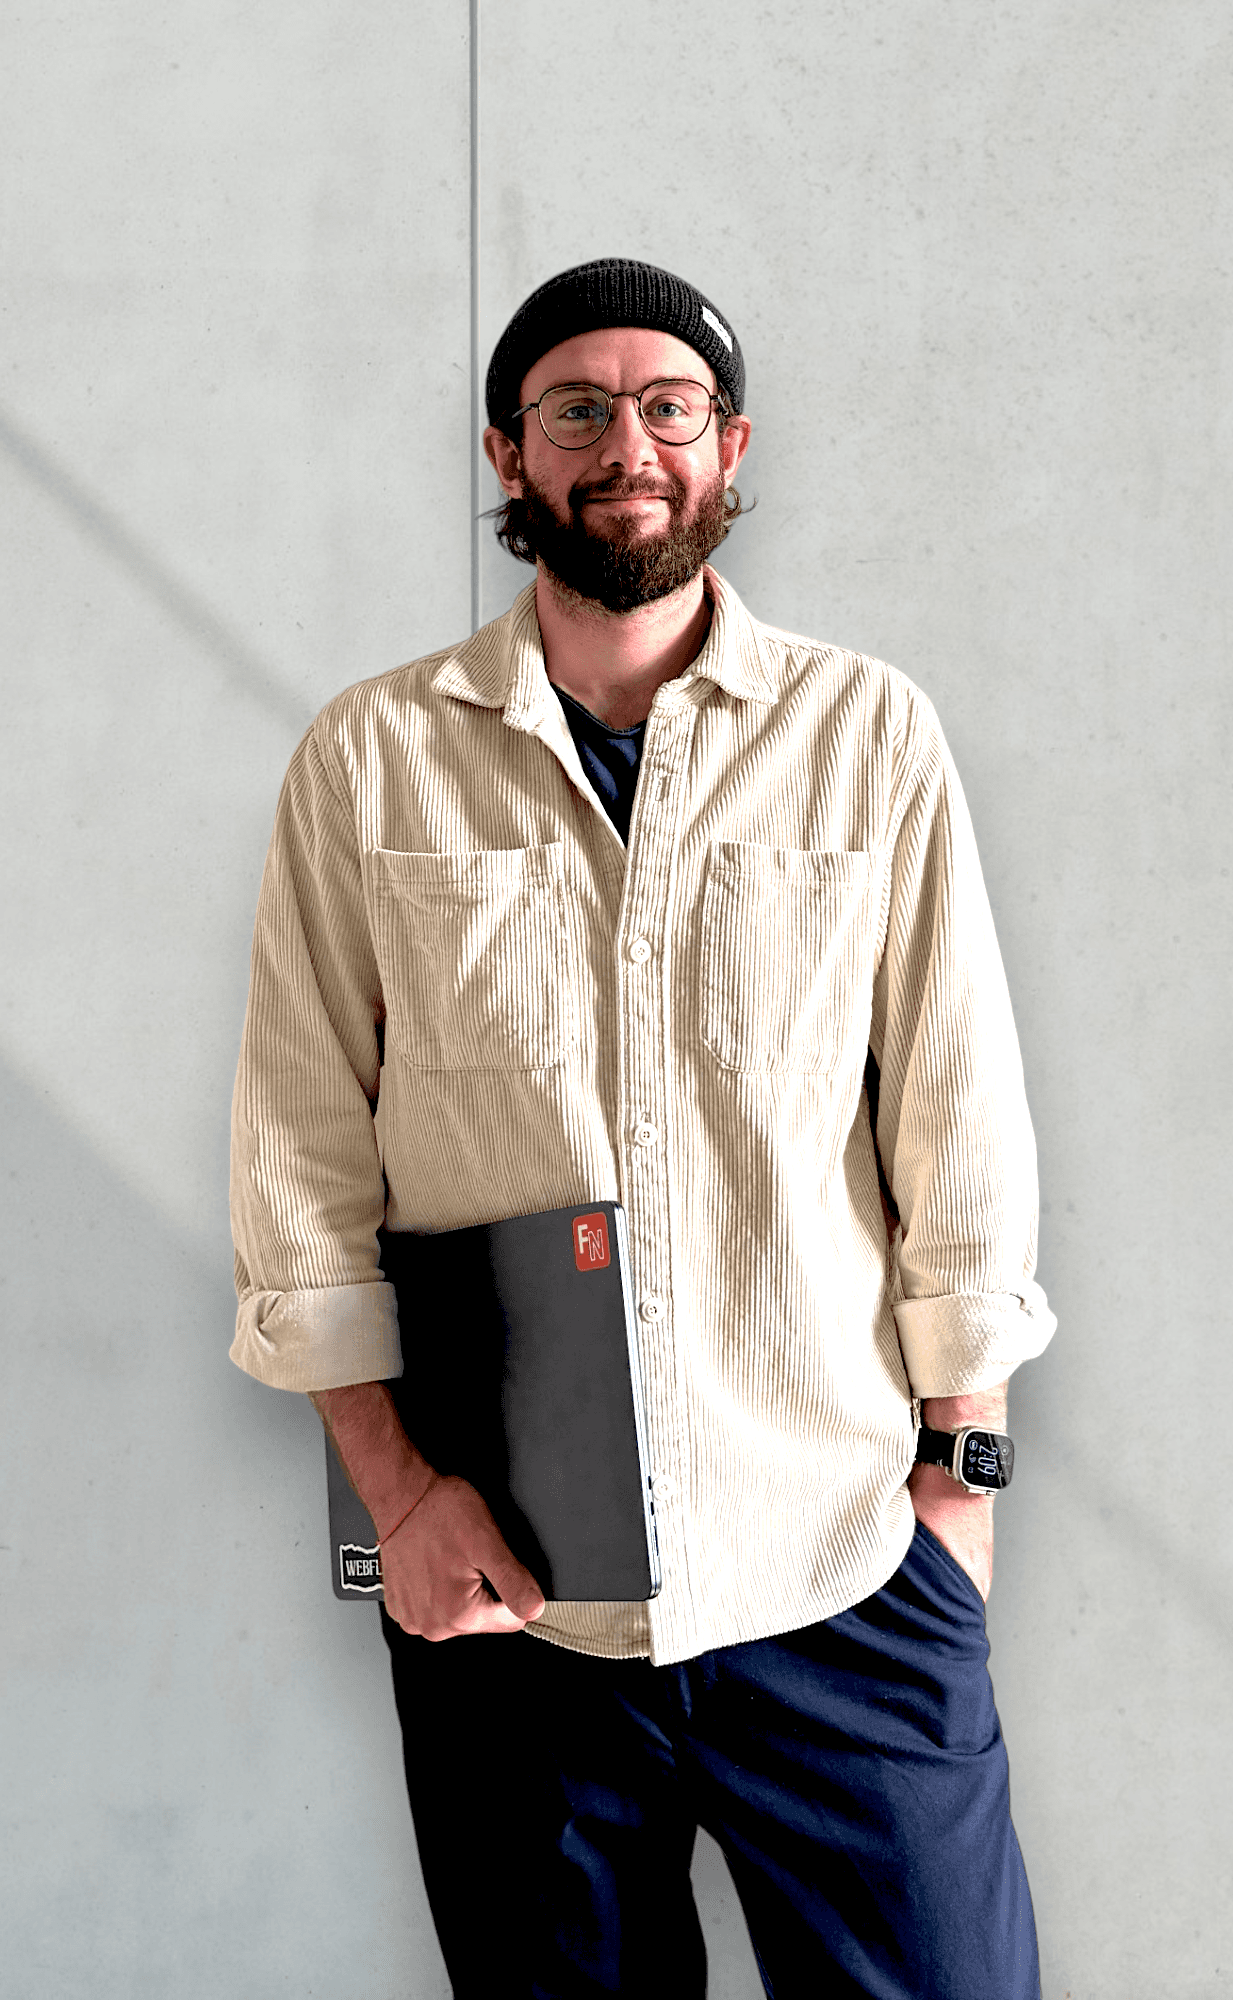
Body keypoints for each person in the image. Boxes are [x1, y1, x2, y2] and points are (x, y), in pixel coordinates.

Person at [229, 257, 1056, 1998]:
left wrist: (961, 1477)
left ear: (729, 444)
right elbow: (302, 1162)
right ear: (509, 453)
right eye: (578, 409)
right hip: (514, 1596)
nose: (629, 443)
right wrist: (400, 1494)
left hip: (838, 1564)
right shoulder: (371, 760)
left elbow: (957, 1120)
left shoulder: (867, 735)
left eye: (668, 404)